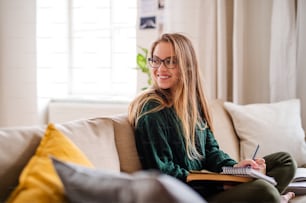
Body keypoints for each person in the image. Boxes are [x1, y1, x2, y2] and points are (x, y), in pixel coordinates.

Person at [128, 33, 296, 203]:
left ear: (187, 66)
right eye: (156, 60)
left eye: (170, 61)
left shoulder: (193, 105)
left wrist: (236, 168)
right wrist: (218, 185)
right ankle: (275, 199)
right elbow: (163, 172)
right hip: (189, 196)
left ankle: (273, 199)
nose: (160, 69)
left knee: (285, 162)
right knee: (264, 190)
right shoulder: (151, 110)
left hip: (208, 188)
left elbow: (211, 152)